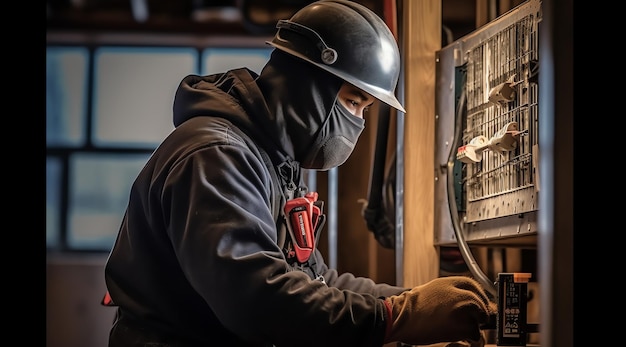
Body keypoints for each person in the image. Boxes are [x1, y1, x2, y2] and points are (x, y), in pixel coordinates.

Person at [103, 1, 497, 346]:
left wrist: (417, 298)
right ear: (307, 86)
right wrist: (397, 317)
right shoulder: (216, 155)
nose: (356, 121)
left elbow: (314, 281)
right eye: (353, 102)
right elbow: (256, 299)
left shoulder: (270, 161)